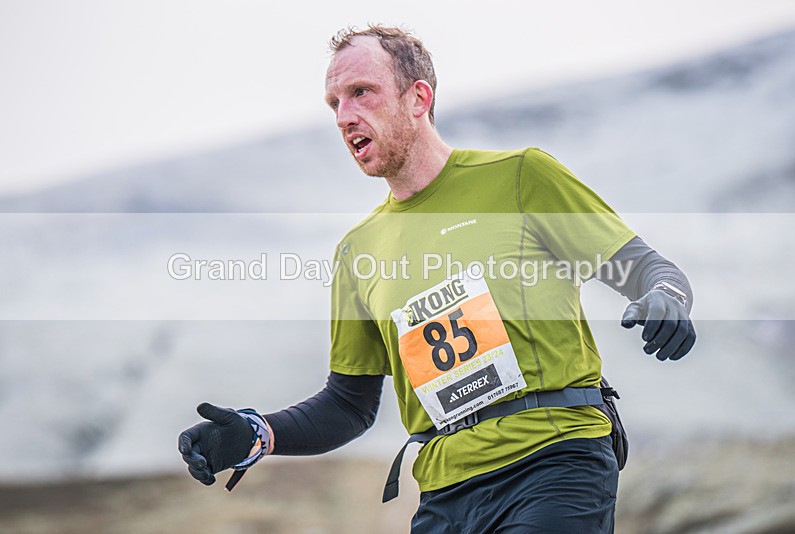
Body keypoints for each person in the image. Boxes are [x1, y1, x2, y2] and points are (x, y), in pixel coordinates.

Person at [178, 25, 696, 532]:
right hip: (446, 496)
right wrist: (259, 433)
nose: (344, 116)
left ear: (418, 97)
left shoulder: (520, 176)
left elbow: (650, 270)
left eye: (361, 92)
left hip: (555, 460)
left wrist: (666, 297)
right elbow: (347, 405)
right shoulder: (358, 252)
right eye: (334, 103)